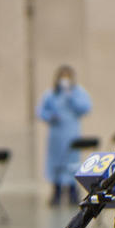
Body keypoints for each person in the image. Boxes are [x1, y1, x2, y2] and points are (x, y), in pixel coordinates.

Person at [37, 65, 91, 205]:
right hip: (56, 136)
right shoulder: (51, 94)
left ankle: (73, 192)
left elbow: (86, 107)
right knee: (57, 163)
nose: (65, 80)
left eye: (67, 77)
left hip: (72, 135)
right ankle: (57, 192)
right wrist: (50, 117)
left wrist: (71, 98)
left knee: (72, 164)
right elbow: (40, 111)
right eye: (62, 76)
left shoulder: (78, 92)